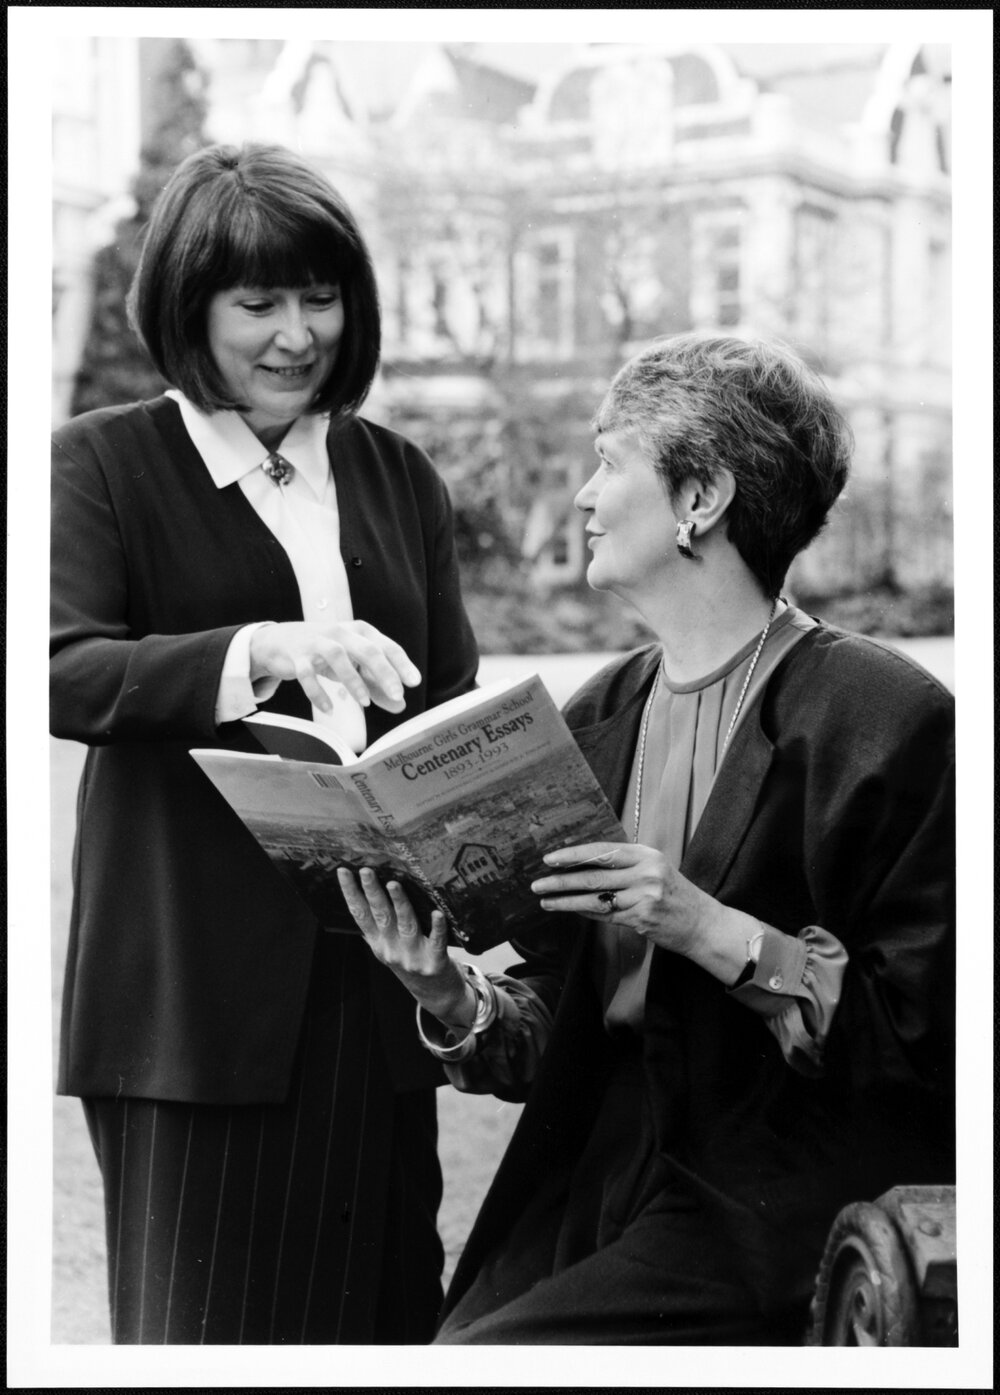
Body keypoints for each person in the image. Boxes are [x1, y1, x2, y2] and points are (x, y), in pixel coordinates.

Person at [338, 333, 955, 1345]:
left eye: (608, 459)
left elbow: (921, 1048)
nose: (583, 494)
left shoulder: (886, 720)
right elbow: (559, 1022)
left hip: (764, 1187)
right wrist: (447, 995)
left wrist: (704, 925)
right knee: (444, 1348)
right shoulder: (595, 716)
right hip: (594, 1164)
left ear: (698, 498)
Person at [50, 143, 479, 1344]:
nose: (298, 333)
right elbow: (56, 667)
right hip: (194, 1006)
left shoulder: (398, 474)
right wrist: (260, 651)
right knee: (210, 1341)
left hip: (381, 988)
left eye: (321, 296)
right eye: (258, 302)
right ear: (188, 307)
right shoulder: (101, 463)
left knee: (385, 1326)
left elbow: (446, 697)